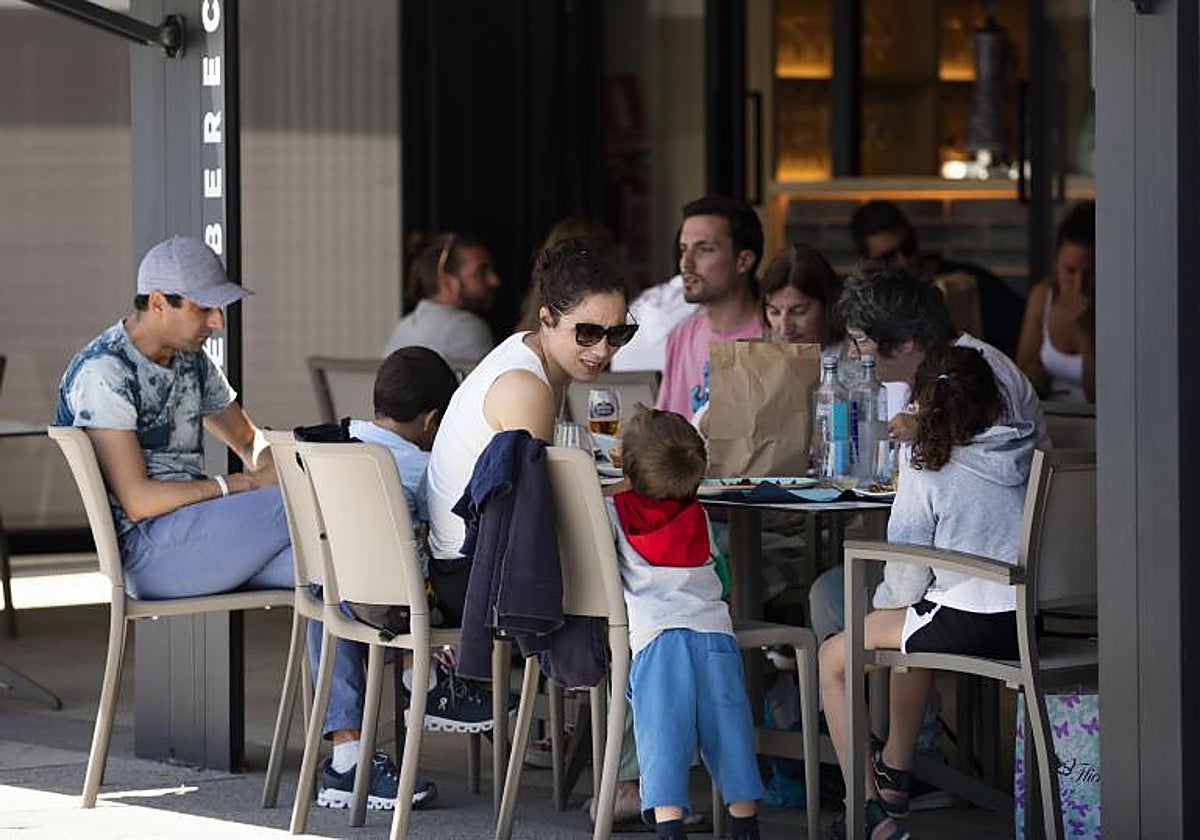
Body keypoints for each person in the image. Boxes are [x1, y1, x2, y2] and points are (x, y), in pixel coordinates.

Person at [818, 344, 1036, 840]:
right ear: (990, 402)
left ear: (920, 405)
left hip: (966, 620)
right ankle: (894, 776)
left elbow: (908, 574)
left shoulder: (927, 464)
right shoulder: (1021, 452)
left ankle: (866, 809)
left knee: (833, 656)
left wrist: (881, 608)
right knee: (911, 635)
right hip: (1021, 619)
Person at [424, 237, 634, 722]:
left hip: (472, 562)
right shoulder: (526, 387)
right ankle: (632, 775)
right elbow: (545, 514)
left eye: (617, 334)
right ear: (546, 319)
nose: (603, 350)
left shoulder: (527, 356)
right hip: (477, 576)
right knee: (666, 600)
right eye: (587, 333)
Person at [55, 236, 291, 602]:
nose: (218, 322)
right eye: (203, 308)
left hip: (201, 532)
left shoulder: (191, 358)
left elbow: (247, 440)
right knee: (303, 505)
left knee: (339, 569)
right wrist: (243, 484)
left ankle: (393, 656)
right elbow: (139, 501)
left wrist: (272, 467)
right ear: (158, 302)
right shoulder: (105, 371)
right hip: (147, 552)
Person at [307, 346, 458, 810]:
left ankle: (348, 758)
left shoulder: (328, 445)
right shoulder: (422, 469)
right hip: (395, 609)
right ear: (432, 421)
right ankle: (431, 684)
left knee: (333, 598)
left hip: (330, 598)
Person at [609, 408, 763, 840]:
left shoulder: (615, 512)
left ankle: (670, 826)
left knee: (662, 736)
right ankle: (744, 821)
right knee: (729, 730)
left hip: (657, 640)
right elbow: (723, 575)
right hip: (714, 634)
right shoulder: (698, 515)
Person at [849, 199, 1026, 359]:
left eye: (908, 247)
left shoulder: (969, 281)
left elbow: (1020, 332)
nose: (903, 261)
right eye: (888, 257)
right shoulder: (867, 306)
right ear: (868, 261)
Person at [655, 196, 764, 417]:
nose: (686, 263)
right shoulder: (682, 335)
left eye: (703, 249)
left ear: (743, 261)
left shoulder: (775, 337)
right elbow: (664, 433)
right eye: (683, 249)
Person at [1016, 201, 1096, 402]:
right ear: (1055, 264)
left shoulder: (1121, 307)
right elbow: (1020, 379)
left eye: (1091, 273)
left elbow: (1100, 398)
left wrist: (1087, 332)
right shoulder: (1042, 298)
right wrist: (1035, 379)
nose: (1079, 285)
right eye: (1070, 271)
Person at [382, 232, 501, 363]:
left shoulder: (403, 327)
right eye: (481, 272)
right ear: (448, 281)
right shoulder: (465, 327)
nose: (494, 280)